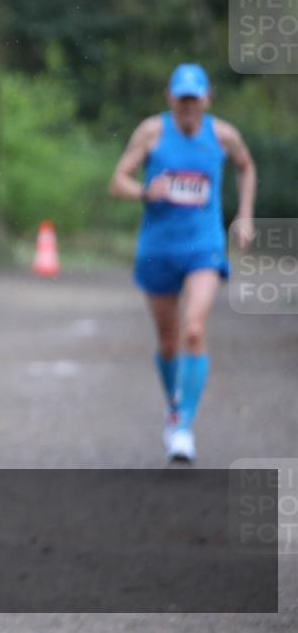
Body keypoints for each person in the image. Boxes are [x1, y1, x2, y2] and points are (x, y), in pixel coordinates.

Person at [109, 63, 256, 463]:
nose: (188, 107)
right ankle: (175, 406)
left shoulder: (223, 136)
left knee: (194, 329)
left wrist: (245, 216)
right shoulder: (151, 132)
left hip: (204, 247)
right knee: (169, 341)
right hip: (158, 248)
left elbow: (246, 167)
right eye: (181, 100)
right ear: (170, 99)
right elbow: (117, 181)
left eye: (194, 100)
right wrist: (145, 191)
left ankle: (183, 425)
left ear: (207, 100)